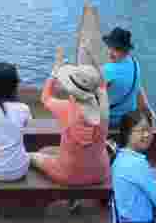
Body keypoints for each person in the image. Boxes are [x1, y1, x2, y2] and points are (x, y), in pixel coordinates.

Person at [28, 48, 110, 186]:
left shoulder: (65, 109)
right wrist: (94, 64)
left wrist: (55, 71)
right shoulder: (104, 111)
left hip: (67, 175)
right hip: (100, 173)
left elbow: (45, 98)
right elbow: (102, 87)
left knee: (32, 156)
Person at [101, 27, 140, 129]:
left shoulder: (108, 70)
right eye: (110, 47)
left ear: (125, 51)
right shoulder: (134, 62)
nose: (111, 52)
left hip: (113, 120)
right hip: (131, 115)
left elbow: (93, 94)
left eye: (116, 49)